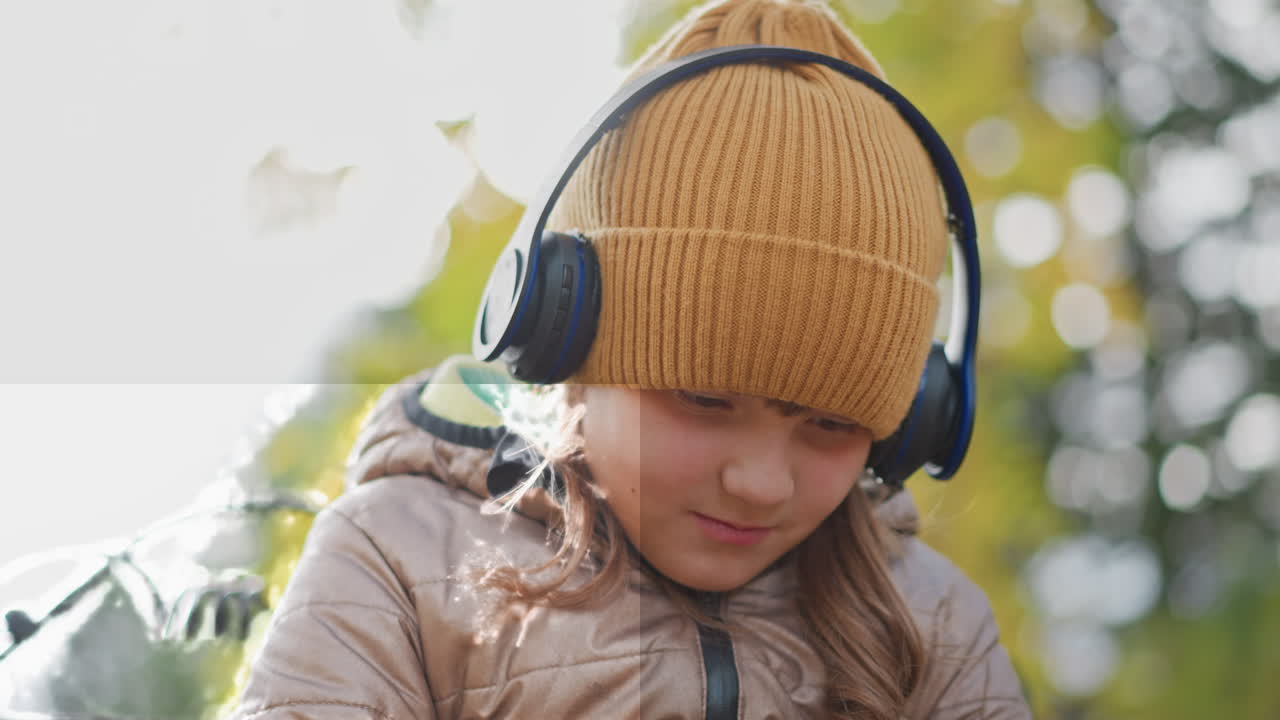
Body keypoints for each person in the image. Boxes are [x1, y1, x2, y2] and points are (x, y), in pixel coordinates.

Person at [231, 0, 1032, 717]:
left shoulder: (931, 626)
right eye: (705, 399)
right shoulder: (396, 563)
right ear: (561, 336)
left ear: (909, 423)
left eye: (830, 423)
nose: (760, 482)